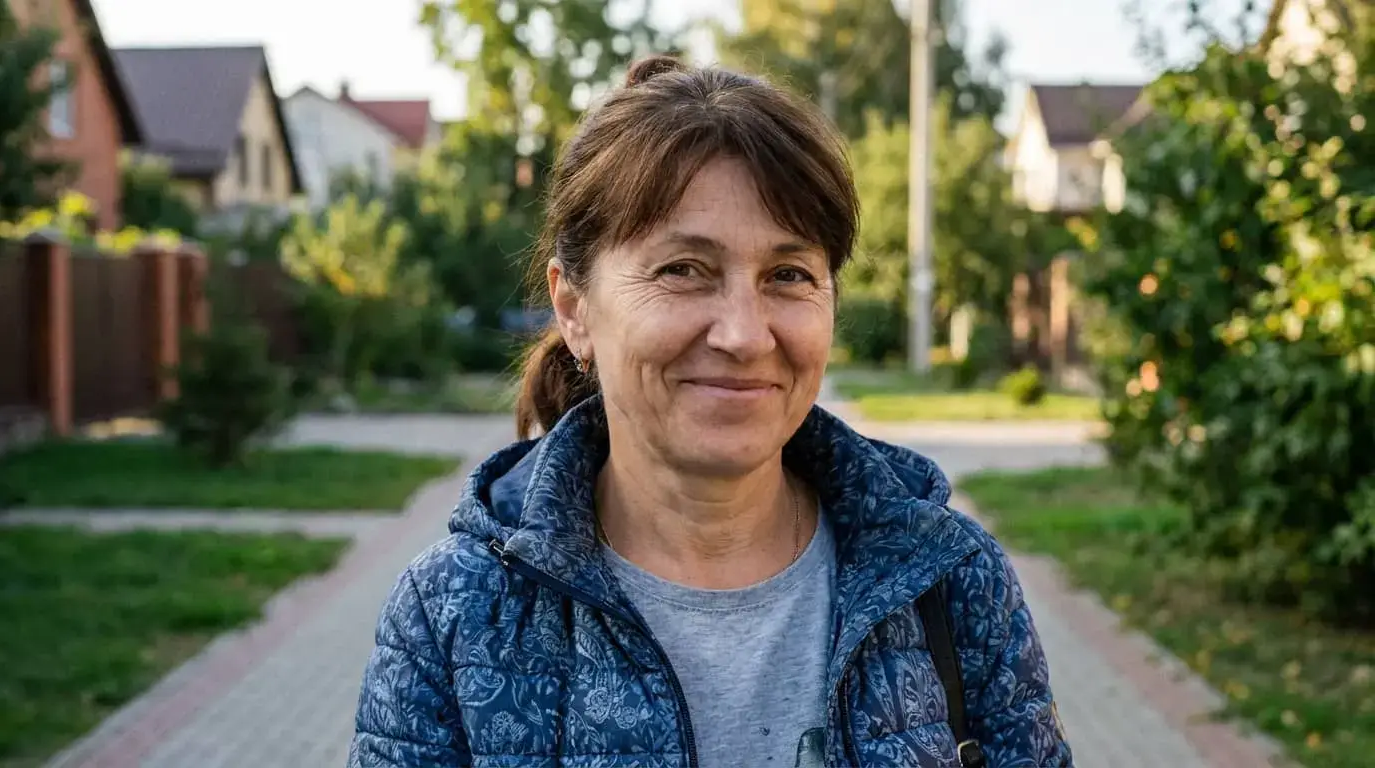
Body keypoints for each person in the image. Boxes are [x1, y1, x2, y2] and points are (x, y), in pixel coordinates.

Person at [349, 55, 1073, 768]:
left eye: (787, 275)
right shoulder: (453, 616)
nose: (744, 335)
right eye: (683, 270)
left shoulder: (950, 582)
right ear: (574, 307)